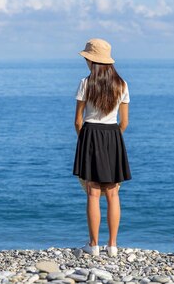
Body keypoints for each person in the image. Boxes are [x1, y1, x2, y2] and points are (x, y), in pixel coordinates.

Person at [72, 38, 132, 257]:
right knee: (113, 194)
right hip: (113, 136)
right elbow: (124, 123)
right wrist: (112, 140)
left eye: (87, 58)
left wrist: (86, 140)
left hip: (90, 134)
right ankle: (113, 246)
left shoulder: (86, 83)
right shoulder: (122, 84)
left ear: (92, 60)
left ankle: (94, 245)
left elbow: (78, 121)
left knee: (92, 193)